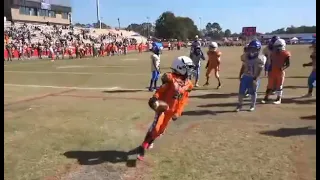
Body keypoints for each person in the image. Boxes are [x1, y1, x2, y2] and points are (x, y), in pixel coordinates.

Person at [137, 56, 195, 160]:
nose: (190, 70)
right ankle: (142, 148)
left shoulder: (188, 84)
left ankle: (150, 141)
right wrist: (155, 97)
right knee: (156, 128)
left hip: (171, 111)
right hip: (163, 108)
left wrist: (178, 112)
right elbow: (160, 91)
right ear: (180, 67)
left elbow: (184, 100)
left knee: (161, 131)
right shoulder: (170, 78)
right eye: (188, 67)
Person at [236, 40, 266, 112]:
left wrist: (255, 79)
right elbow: (243, 66)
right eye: (251, 48)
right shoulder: (245, 56)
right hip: (246, 76)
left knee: (253, 92)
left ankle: (252, 105)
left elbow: (260, 70)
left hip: (254, 77)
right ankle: (240, 105)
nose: (252, 50)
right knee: (241, 91)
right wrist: (240, 74)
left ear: (258, 49)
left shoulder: (260, 58)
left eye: (254, 48)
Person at [261, 38, 291, 104]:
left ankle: (278, 99)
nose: (277, 48)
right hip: (272, 71)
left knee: (279, 85)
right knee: (269, 86)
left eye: (278, 46)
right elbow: (271, 63)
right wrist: (268, 70)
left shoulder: (286, 54)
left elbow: (288, 64)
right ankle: (266, 97)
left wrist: (283, 68)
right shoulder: (273, 54)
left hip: (280, 72)